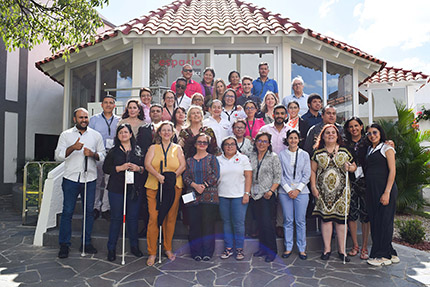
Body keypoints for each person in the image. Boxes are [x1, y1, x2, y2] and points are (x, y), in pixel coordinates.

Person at [55, 108, 105, 259]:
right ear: (74, 119)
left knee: (88, 212)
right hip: (71, 179)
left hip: (89, 179)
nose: (84, 120)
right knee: (68, 211)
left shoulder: (96, 135)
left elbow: (102, 156)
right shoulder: (66, 135)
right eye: (81, 117)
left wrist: (93, 154)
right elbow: (58, 156)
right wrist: (72, 148)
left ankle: (86, 242)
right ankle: (64, 244)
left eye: (86, 117)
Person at [310, 124, 356, 262]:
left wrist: (351, 168)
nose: (330, 135)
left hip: (341, 193)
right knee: (326, 220)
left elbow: (354, 166)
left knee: (341, 222)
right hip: (323, 192)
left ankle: (342, 251)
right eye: (327, 133)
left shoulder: (345, 151)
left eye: (333, 133)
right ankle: (327, 249)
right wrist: (313, 187)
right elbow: (313, 171)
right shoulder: (317, 153)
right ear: (322, 136)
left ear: (337, 136)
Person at [144, 121, 186, 266]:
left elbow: (183, 165)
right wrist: (158, 176)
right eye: (164, 130)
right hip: (154, 186)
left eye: (169, 130)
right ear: (160, 133)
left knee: (170, 217)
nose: (167, 132)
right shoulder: (153, 148)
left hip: (173, 187)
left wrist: (172, 177)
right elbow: (147, 164)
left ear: (173, 133)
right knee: (154, 218)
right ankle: (152, 252)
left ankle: (167, 248)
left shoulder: (178, 148)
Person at [102, 123, 145, 262]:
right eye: (121, 133)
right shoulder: (113, 151)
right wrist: (119, 168)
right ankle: (111, 248)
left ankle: (134, 246)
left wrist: (138, 168)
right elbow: (105, 168)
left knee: (132, 219)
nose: (123, 135)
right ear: (118, 136)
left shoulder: (138, 150)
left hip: (134, 189)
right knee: (116, 218)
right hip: (116, 189)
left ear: (131, 134)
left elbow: (144, 168)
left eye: (126, 132)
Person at [365, 123, 399, 266]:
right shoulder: (369, 149)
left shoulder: (387, 148)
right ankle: (390, 252)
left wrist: (387, 192)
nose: (372, 135)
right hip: (372, 190)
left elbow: (392, 171)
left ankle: (383, 256)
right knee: (376, 221)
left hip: (385, 189)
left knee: (384, 222)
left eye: (375, 132)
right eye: (369, 133)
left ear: (380, 133)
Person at [183, 133, 220, 261]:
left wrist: (203, 185)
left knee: (208, 225)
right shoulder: (189, 160)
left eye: (205, 142)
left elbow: (216, 175)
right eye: (200, 142)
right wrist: (194, 185)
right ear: (195, 144)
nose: (202, 144)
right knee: (194, 225)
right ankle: (196, 252)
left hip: (209, 196)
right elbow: (185, 176)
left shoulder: (212, 159)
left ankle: (207, 252)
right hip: (192, 196)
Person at [217, 136, 252, 260]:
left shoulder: (243, 158)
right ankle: (228, 249)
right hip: (222, 195)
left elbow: (248, 176)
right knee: (226, 223)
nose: (230, 146)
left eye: (232, 144)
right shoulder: (217, 159)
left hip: (239, 196)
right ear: (223, 147)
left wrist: (246, 193)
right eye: (227, 144)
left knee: (238, 224)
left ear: (236, 146)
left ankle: (239, 249)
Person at [248, 132, 281, 262]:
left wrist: (271, 191)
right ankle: (262, 248)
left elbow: (278, 177)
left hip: (267, 195)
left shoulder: (273, 157)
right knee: (260, 224)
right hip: (254, 195)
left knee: (267, 224)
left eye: (264, 141)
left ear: (269, 144)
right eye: (259, 141)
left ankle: (272, 251)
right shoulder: (251, 156)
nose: (261, 144)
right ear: (255, 142)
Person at [278, 130, 311, 260]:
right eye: (290, 138)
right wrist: (288, 189)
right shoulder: (281, 154)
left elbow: (307, 174)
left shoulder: (304, 154)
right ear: (287, 140)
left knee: (300, 221)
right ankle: (288, 247)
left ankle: (302, 248)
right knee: (288, 220)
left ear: (299, 139)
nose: (293, 140)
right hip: (285, 191)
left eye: (295, 138)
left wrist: (297, 190)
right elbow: (279, 174)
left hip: (301, 192)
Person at [89, 95, 121, 221]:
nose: (108, 105)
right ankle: (96, 207)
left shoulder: (119, 120)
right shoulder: (94, 120)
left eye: (111, 103)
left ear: (114, 105)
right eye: (106, 102)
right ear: (101, 105)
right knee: (97, 181)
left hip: (112, 155)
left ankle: (105, 208)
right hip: (98, 154)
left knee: (109, 182)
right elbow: (89, 136)